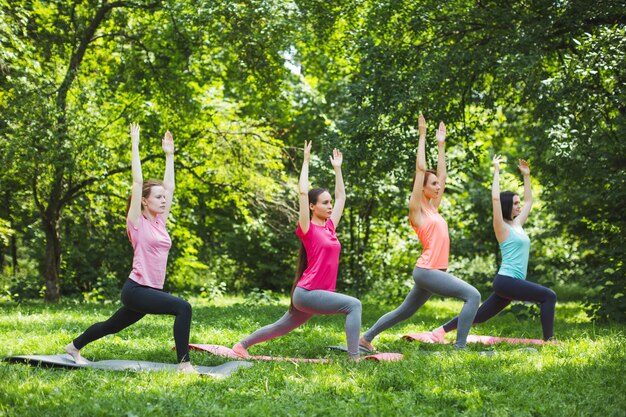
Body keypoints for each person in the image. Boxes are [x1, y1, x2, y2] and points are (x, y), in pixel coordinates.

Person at [65, 123, 195, 373]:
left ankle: (74, 346)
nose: (163, 200)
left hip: (148, 290)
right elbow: (137, 182)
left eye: (163, 198)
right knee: (183, 307)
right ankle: (184, 364)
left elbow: (170, 188)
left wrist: (170, 155)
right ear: (144, 201)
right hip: (137, 289)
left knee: (111, 325)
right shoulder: (136, 222)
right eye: (157, 198)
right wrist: (134, 145)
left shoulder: (159, 223)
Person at [359, 114, 480, 351]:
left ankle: (366, 338)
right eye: (433, 184)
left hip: (432, 272)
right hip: (427, 271)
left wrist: (442, 144)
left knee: (404, 311)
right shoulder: (417, 210)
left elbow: (443, 175)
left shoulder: (433, 208)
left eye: (437, 184)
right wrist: (423, 135)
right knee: (473, 295)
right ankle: (460, 347)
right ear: (422, 187)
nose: (438, 186)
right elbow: (420, 167)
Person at [232, 141, 362, 359]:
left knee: (280, 327)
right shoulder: (307, 228)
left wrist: (338, 170)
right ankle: (354, 358)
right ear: (312, 206)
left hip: (313, 294)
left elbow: (342, 197)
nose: (330, 206)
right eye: (324, 203)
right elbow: (303, 192)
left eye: (330, 203)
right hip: (308, 292)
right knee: (354, 305)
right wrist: (305, 161)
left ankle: (241, 346)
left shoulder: (330, 227)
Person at [430, 155, 556, 342]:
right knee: (548, 296)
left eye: (518, 203)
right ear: (506, 206)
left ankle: (440, 330)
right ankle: (549, 340)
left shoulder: (518, 225)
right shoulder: (502, 228)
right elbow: (495, 199)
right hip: (507, 280)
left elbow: (529, 201)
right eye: (515, 203)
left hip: (509, 282)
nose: (519, 206)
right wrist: (496, 170)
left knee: (480, 316)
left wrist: (527, 176)